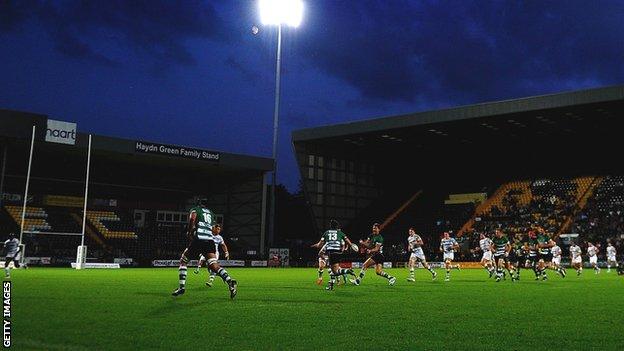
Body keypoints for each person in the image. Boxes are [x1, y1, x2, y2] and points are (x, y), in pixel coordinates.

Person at [172, 199, 237, 298]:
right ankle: (230, 281)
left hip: (199, 239)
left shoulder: (195, 210)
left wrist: (190, 231)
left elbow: (192, 219)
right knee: (214, 266)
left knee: (183, 261)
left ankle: (181, 287)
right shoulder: (210, 213)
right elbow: (212, 227)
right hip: (209, 241)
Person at [311, 219, 357, 290]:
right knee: (333, 270)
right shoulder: (340, 232)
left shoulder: (327, 232)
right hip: (338, 252)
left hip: (331, 253)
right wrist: (351, 245)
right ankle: (331, 286)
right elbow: (346, 239)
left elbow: (319, 244)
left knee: (335, 271)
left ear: (330, 226)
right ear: (337, 226)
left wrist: (314, 245)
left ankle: (346, 271)